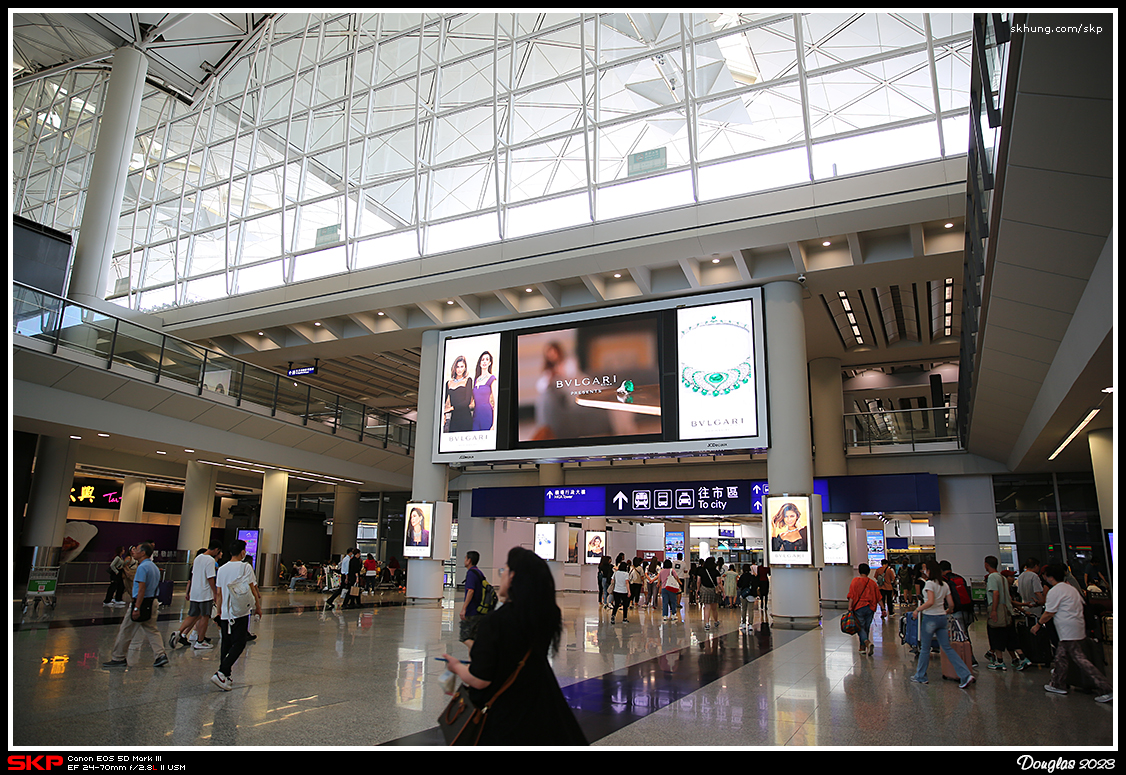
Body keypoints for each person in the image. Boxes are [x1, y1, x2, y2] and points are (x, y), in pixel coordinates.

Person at [440, 546, 587, 745]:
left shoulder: (495, 622)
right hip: (541, 710)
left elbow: (480, 680)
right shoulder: (545, 618)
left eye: (504, 570)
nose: (501, 575)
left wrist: (455, 666)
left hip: (506, 717)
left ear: (513, 577)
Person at [1034, 564, 1112, 703]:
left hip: (1067, 630)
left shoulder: (1055, 591)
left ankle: (1106, 688)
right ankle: (1057, 684)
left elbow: (1049, 612)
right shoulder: (1071, 588)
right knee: (1061, 658)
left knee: (1081, 661)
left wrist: (1038, 625)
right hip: (1076, 627)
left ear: (1050, 577)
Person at [908, 560, 975, 689]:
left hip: (930, 618)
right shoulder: (944, 585)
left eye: (925, 569)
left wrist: (917, 610)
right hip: (942, 618)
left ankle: (920, 676)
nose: (923, 571)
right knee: (947, 648)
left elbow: (930, 601)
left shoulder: (929, 584)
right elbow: (951, 605)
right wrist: (946, 611)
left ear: (930, 570)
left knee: (925, 649)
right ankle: (965, 674)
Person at [103, 544, 169, 669]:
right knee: (152, 629)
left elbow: (141, 588)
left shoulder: (142, 567)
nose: (134, 552)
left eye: (137, 550)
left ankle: (118, 657)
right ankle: (160, 655)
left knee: (126, 630)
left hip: (141, 602)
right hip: (152, 602)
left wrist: (137, 607)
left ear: (143, 553)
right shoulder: (154, 567)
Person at [211, 539, 262, 691]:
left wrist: (219, 611)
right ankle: (221, 671)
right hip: (239, 610)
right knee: (239, 643)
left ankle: (226, 675)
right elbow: (252, 588)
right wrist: (257, 607)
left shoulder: (222, 568)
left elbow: (219, 593)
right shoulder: (245, 567)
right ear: (242, 552)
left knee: (226, 644)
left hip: (226, 612)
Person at [171, 540, 221, 650]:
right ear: (216, 549)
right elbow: (210, 578)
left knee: (193, 615)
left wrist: (189, 591)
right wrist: (215, 592)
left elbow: (193, 575)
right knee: (205, 616)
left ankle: (178, 632)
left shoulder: (198, 558)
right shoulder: (210, 560)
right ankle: (200, 641)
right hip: (205, 593)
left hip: (195, 592)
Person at [985, 555, 1029, 671]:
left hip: (999, 611)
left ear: (986, 565)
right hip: (1008, 612)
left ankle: (1000, 661)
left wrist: (994, 610)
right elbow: (1008, 596)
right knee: (1011, 637)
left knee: (996, 635)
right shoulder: (1002, 578)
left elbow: (996, 593)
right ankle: (1023, 658)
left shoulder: (992, 577)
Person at [847, 563, 881, 655]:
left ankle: (866, 642)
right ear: (869, 572)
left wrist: (850, 607)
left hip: (859, 607)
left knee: (860, 627)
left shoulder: (855, 581)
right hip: (870, 607)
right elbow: (878, 597)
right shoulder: (872, 583)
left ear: (859, 571)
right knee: (866, 627)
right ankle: (862, 648)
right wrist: (883, 609)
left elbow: (852, 595)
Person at [460, 550, 488, 647]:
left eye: (465, 558)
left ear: (469, 560)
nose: (464, 560)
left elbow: (470, 591)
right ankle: (471, 662)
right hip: (479, 611)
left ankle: (478, 653)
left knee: (464, 637)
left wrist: (464, 608)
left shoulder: (471, 573)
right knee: (473, 638)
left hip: (472, 611)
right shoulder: (479, 572)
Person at [443, 355, 473, 432]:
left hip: (465, 417)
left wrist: (451, 408)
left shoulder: (468, 380)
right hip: (454, 418)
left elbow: (467, 402)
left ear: (465, 368)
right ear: (454, 368)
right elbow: (442, 401)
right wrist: (443, 413)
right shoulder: (449, 383)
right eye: (457, 367)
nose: (459, 369)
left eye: (462, 366)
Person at [471, 351, 498, 431]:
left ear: (490, 363)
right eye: (482, 359)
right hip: (476, 415)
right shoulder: (476, 379)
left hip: (487, 414)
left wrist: (494, 423)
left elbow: (496, 402)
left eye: (487, 359)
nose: (484, 361)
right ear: (479, 363)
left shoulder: (492, 379)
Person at [697, 556, 721, 631]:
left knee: (706, 607)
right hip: (713, 590)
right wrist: (722, 590)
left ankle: (707, 623)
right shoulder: (716, 572)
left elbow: (698, 581)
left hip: (704, 589)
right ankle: (716, 621)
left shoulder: (701, 571)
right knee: (714, 608)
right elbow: (719, 582)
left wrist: (698, 589)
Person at [736, 564, 756, 630]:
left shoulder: (742, 576)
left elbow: (739, 585)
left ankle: (743, 623)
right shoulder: (752, 577)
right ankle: (750, 624)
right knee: (751, 610)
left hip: (743, 594)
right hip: (751, 594)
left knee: (743, 609)